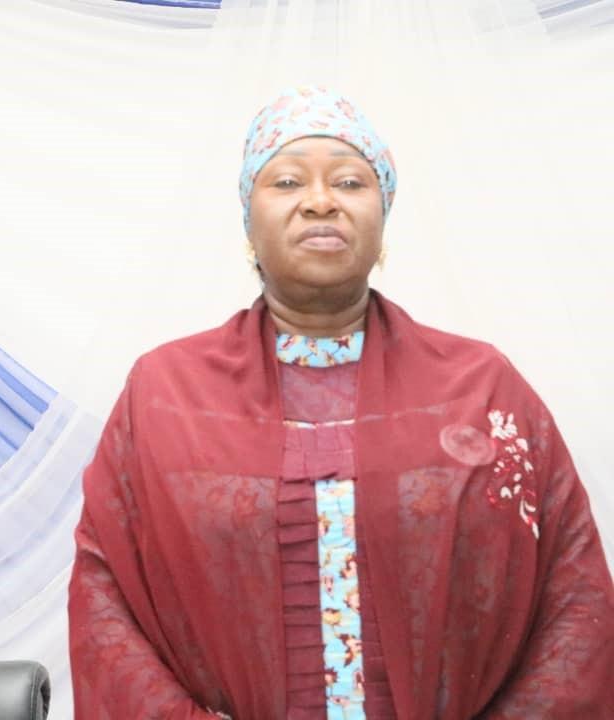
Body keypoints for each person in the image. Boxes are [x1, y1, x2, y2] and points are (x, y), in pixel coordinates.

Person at [68, 86, 614, 719]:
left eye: (351, 182)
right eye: (287, 182)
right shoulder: (165, 394)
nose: (321, 201)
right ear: (248, 223)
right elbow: (104, 600)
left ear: (383, 219)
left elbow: (574, 594)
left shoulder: (481, 387)